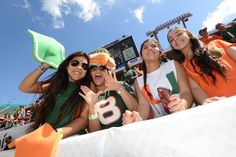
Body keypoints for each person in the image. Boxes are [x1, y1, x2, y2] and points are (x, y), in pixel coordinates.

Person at [19, 51, 90, 138]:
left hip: (70, 140)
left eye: (84, 66)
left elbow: (84, 119)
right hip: (46, 137)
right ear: (67, 66)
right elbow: (25, 87)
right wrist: (45, 65)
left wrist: (57, 133)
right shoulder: (55, 86)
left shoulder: (86, 89)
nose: (79, 67)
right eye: (75, 63)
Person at [123, 39, 193, 124]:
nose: (149, 48)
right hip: (164, 124)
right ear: (141, 56)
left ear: (160, 53)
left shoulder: (173, 64)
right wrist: (136, 119)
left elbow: (186, 91)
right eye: (145, 47)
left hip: (189, 116)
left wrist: (183, 104)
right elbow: (143, 106)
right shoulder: (138, 81)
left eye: (153, 46)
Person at [167, 27, 236, 105]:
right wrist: (204, 100)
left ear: (189, 35)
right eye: (171, 40)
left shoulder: (217, 44)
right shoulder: (182, 68)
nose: (175, 39)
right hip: (223, 107)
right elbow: (195, 88)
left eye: (179, 34)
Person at [79, 48, 138, 132]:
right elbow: (94, 132)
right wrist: (92, 107)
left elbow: (137, 109)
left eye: (102, 68)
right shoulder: (89, 94)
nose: (97, 71)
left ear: (109, 70)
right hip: (106, 140)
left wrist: (119, 89)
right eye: (93, 68)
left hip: (129, 133)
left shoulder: (121, 84)